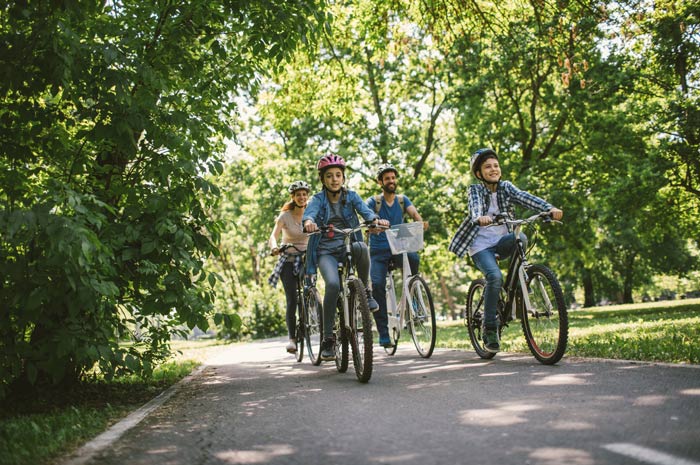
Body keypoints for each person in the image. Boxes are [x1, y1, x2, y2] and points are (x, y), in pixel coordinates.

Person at [448, 148, 563, 354]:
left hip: (502, 241)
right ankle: (489, 327)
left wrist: (549, 208)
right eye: (487, 167)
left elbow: (526, 198)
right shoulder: (475, 190)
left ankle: (519, 285)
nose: (493, 169)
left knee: (523, 238)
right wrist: (479, 217)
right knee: (494, 276)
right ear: (478, 173)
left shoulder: (506, 187)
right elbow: (474, 207)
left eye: (496, 165)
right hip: (480, 246)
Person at [303, 154, 389, 360]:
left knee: (362, 247)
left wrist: (375, 220)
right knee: (332, 284)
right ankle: (328, 339)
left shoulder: (351, 196)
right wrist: (308, 223)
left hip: (347, 245)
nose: (334, 179)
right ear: (323, 179)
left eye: (338, 175)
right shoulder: (317, 199)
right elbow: (310, 214)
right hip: (325, 251)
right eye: (329, 176)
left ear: (343, 178)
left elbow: (365, 212)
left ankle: (366, 293)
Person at [367, 163, 428, 348]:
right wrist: (373, 225)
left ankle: (413, 300)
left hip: (398, 248)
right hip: (378, 251)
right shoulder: (374, 201)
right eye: (387, 179)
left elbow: (414, 213)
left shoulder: (402, 200)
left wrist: (420, 223)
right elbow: (367, 216)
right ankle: (384, 333)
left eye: (393, 178)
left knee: (414, 258)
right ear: (380, 182)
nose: (391, 181)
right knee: (377, 285)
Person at [268, 180, 311, 354]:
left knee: (309, 290)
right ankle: (292, 339)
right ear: (293, 197)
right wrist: (274, 247)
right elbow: (273, 235)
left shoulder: (312, 213)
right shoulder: (285, 216)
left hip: (307, 258)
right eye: (298, 194)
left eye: (304, 194)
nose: (302, 197)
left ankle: (312, 313)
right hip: (288, 259)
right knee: (292, 299)